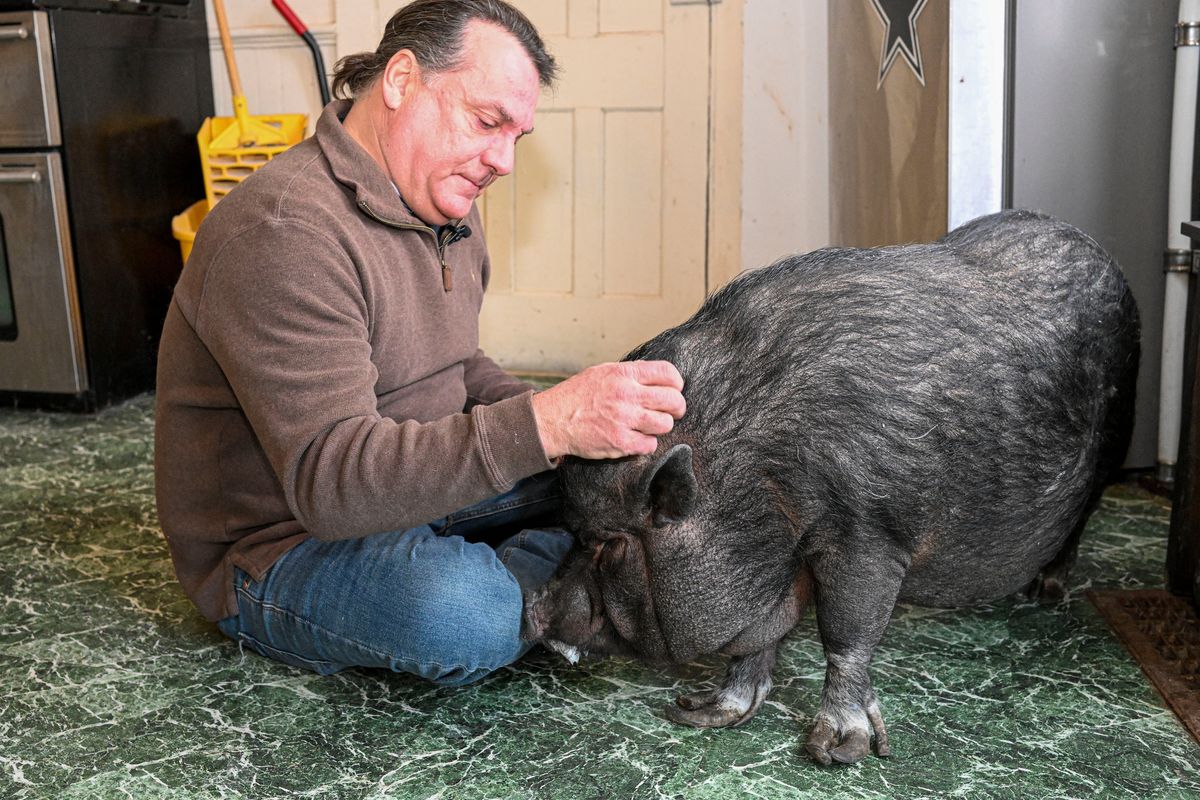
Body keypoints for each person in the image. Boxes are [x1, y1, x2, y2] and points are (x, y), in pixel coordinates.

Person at [154, 0, 685, 686]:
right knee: (462, 613)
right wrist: (547, 425)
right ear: (401, 81)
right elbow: (334, 483)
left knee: (615, 473)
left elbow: (457, 363)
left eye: (517, 136)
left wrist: (566, 420)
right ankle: (546, 581)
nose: (503, 161)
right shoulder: (283, 234)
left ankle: (539, 568)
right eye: (488, 122)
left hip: (413, 482)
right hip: (283, 541)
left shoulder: (444, 206)